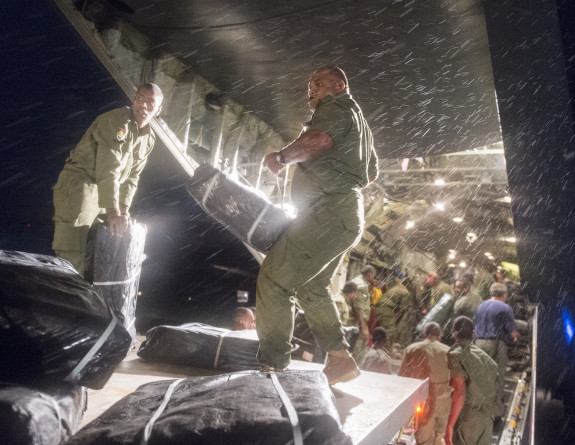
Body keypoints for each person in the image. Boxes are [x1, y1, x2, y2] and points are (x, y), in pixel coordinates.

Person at [257, 66, 379, 385]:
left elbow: (320, 139)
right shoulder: (358, 121)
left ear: (340, 85)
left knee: (274, 279)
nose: (311, 89)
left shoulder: (336, 106)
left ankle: (273, 365)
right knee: (311, 287)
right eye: (309, 84)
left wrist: (282, 158)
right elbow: (372, 172)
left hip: (327, 212)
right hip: (345, 216)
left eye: (319, 83)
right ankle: (339, 359)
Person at [52, 83, 163, 278]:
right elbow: (108, 168)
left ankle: (83, 304)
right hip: (81, 185)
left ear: (158, 109)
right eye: (140, 98)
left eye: (150, 102)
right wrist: (113, 212)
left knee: (98, 257)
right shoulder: (116, 121)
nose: (143, 105)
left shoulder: (148, 138)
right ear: (133, 99)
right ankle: (58, 305)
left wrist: (123, 210)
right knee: (72, 258)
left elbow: (132, 178)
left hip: (104, 193)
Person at [445, 316, 498, 445]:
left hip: (469, 421)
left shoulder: (455, 354)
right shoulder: (486, 358)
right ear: (474, 333)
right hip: (488, 420)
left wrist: (450, 426)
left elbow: (460, 393)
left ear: (453, 333)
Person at [399, 322, 451, 445]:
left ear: (424, 335)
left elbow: (402, 378)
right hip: (444, 403)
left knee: (423, 440)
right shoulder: (449, 352)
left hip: (424, 403)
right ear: (440, 336)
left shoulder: (412, 349)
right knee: (440, 437)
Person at [475, 282, 519, 418]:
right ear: (504, 295)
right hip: (497, 344)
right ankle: (496, 411)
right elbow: (512, 332)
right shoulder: (505, 308)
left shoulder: (480, 306)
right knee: (497, 376)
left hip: (479, 343)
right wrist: (516, 335)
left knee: (480, 375)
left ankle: (476, 406)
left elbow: (474, 327)